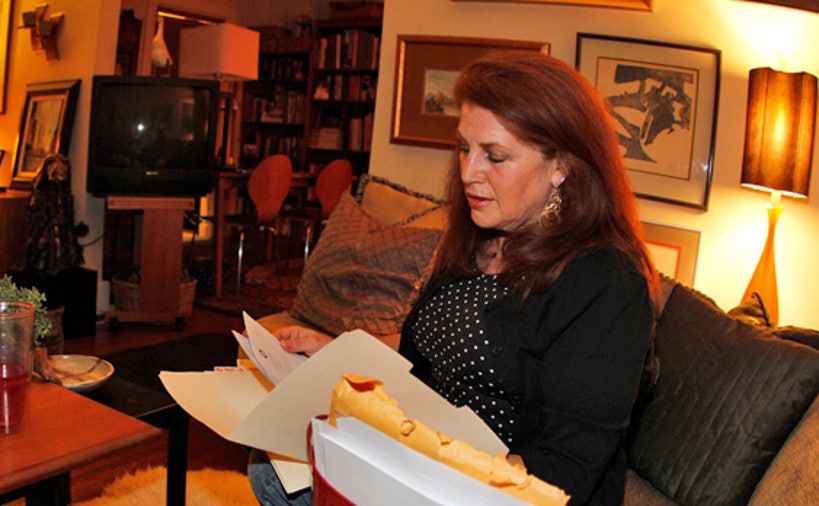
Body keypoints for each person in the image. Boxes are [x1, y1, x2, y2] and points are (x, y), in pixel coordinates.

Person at [250, 51, 657, 506]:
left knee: (285, 484)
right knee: (270, 468)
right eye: (464, 148)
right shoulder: (479, 235)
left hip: (494, 490)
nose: (468, 173)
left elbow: (566, 467)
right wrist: (336, 354)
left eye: (495, 157)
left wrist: (429, 475)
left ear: (561, 166)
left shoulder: (606, 283)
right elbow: (425, 349)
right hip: (426, 460)